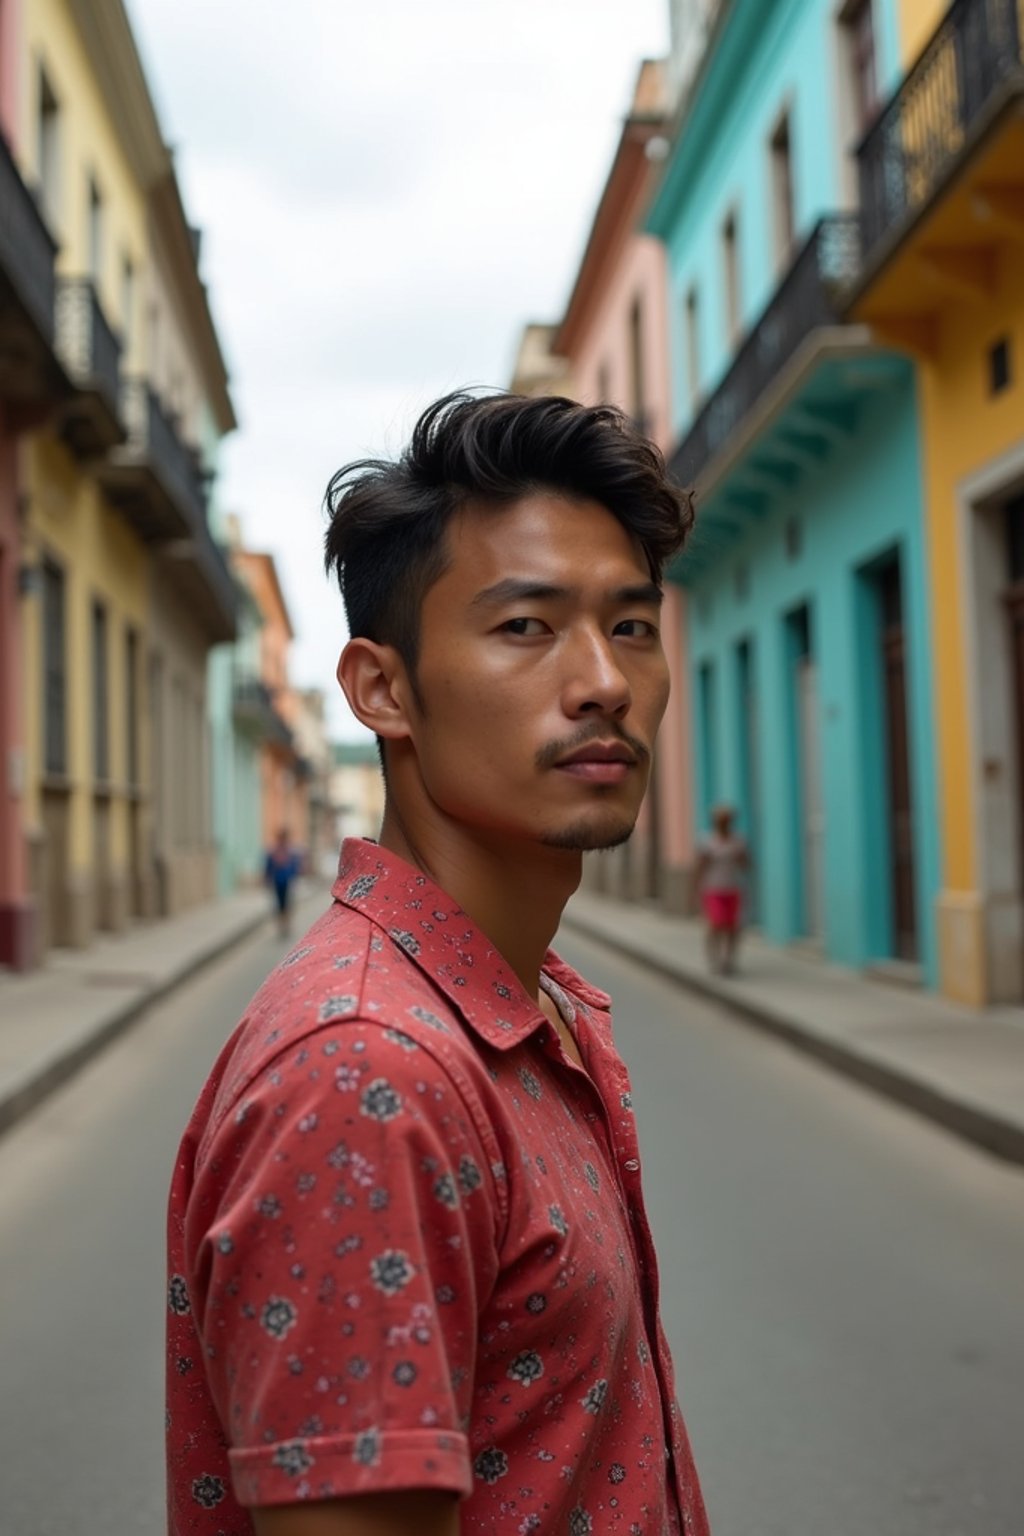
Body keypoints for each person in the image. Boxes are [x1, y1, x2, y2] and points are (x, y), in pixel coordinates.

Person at [166, 392, 710, 1536]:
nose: (604, 681)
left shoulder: (535, 1006)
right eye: (525, 627)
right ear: (382, 689)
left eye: (629, 626)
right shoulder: (367, 1074)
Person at [694, 804, 749, 976]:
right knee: (716, 925)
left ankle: (729, 960)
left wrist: (741, 858)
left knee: (733, 927)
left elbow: (746, 864)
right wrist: (696, 888)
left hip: (732, 888)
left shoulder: (737, 841)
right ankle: (714, 958)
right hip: (713, 889)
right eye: (721, 820)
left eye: (727, 820)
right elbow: (700, 867)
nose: (724, 823)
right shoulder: (708, 842)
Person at [265, 827, 302, 938]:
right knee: (279, 904)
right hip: (277, 882)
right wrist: (267, 879)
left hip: (288, 882)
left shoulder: (290, 851)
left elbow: (295, 867)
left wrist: (295, 877)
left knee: (288, 904)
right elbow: (268, 866)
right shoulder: (273, 851)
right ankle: (281, 924)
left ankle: (286, 924)